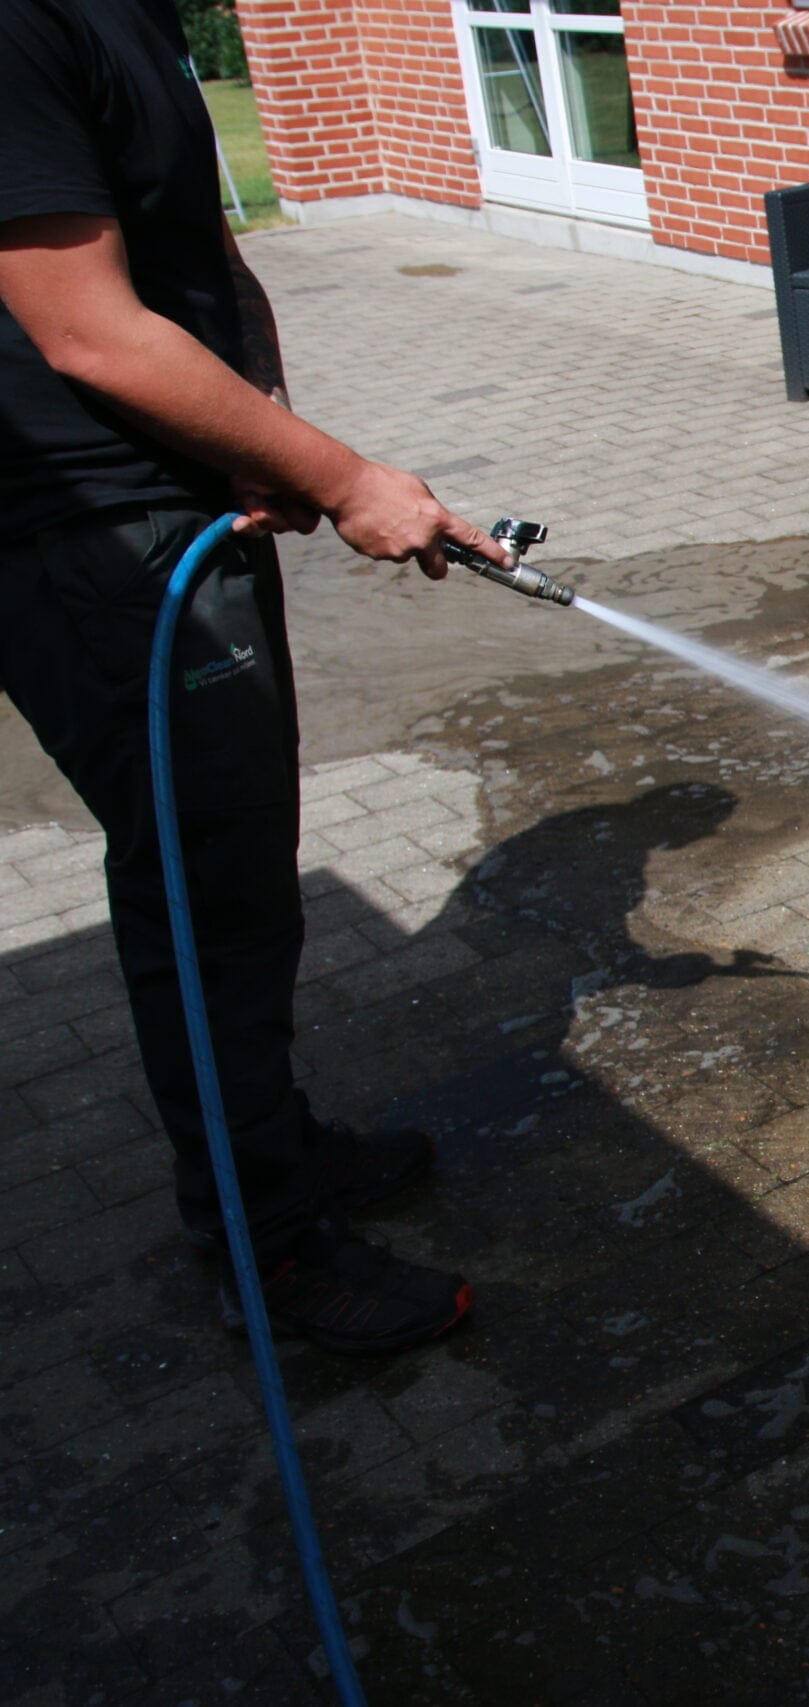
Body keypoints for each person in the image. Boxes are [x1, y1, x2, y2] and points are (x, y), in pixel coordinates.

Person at [0, 0, 504, 1353]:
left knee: (239, 887)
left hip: (186, 507)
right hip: (100, 546)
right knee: (203, 905)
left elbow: (180, 248)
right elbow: (83, 328)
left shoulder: (126, 13)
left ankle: (276, 1157)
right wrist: (341, 477)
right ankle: (271, 1260)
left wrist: (265, 449)